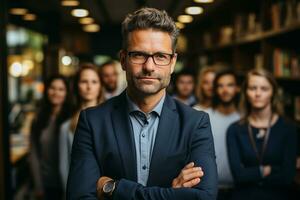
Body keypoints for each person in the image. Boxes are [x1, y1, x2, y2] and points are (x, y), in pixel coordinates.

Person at [67, 7, 217, 200]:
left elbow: (204, 197)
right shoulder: (92, 121)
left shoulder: (196, 123)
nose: (149, 67)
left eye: (161, 56)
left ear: (172, 63)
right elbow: (79, 197)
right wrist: (171, 193)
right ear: (123, 60)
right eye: (139, 55)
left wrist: (114, 188)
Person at [227, 69, 297, 200]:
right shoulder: (235, 129)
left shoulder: (288, 129)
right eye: (253, 88)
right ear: (246, 93)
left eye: (264, 89)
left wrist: (252, 174)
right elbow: (238, 175)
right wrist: (271, 169)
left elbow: (287, 176)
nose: (257, 93)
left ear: (273, 93)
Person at [59, 64, 104, 194]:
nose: (89, 87)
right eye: (84, 81)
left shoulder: (114, 119)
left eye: (94, 82)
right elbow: (64, 169)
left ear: (100, 85)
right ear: (77, 86)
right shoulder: (66, 127)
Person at [29, 75, 71, 200]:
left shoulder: (72, 119)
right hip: (46, 183)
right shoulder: (38, 119)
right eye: (52, 88)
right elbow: (34, 154)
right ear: (46, 90)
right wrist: (38, 186)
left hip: (68, 182)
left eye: (61, 89)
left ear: (66, 93)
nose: (56, 93)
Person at [207, 69, 241, 200]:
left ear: (238, 88)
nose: (225, 90)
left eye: (230, 85)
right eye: (220, 86)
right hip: (210, 188)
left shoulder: (245, 118)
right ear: (215, 90)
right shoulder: (203, 116)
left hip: (240, 188)